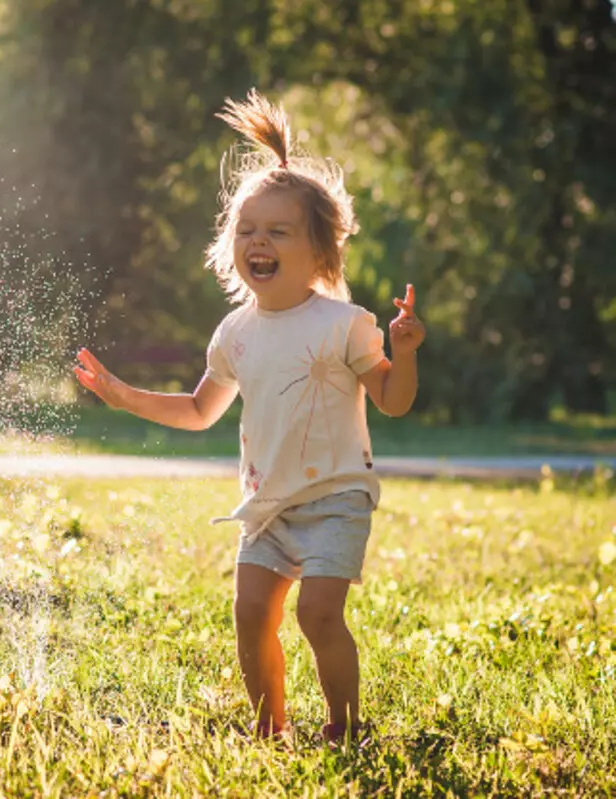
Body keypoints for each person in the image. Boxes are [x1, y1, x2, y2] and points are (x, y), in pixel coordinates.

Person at [73, 89, 426, 746]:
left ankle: (344, 729)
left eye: (278, 231)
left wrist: (401, 354)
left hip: (335, 499)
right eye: (245, 231)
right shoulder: (235, 333)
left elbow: (392, 400)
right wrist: (124, 395)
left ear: (320, 253)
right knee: (250, 613)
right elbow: (199, 408)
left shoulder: (345, 325)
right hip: (266, 506)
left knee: (319, 614)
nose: (257, 242)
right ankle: (269, 728)